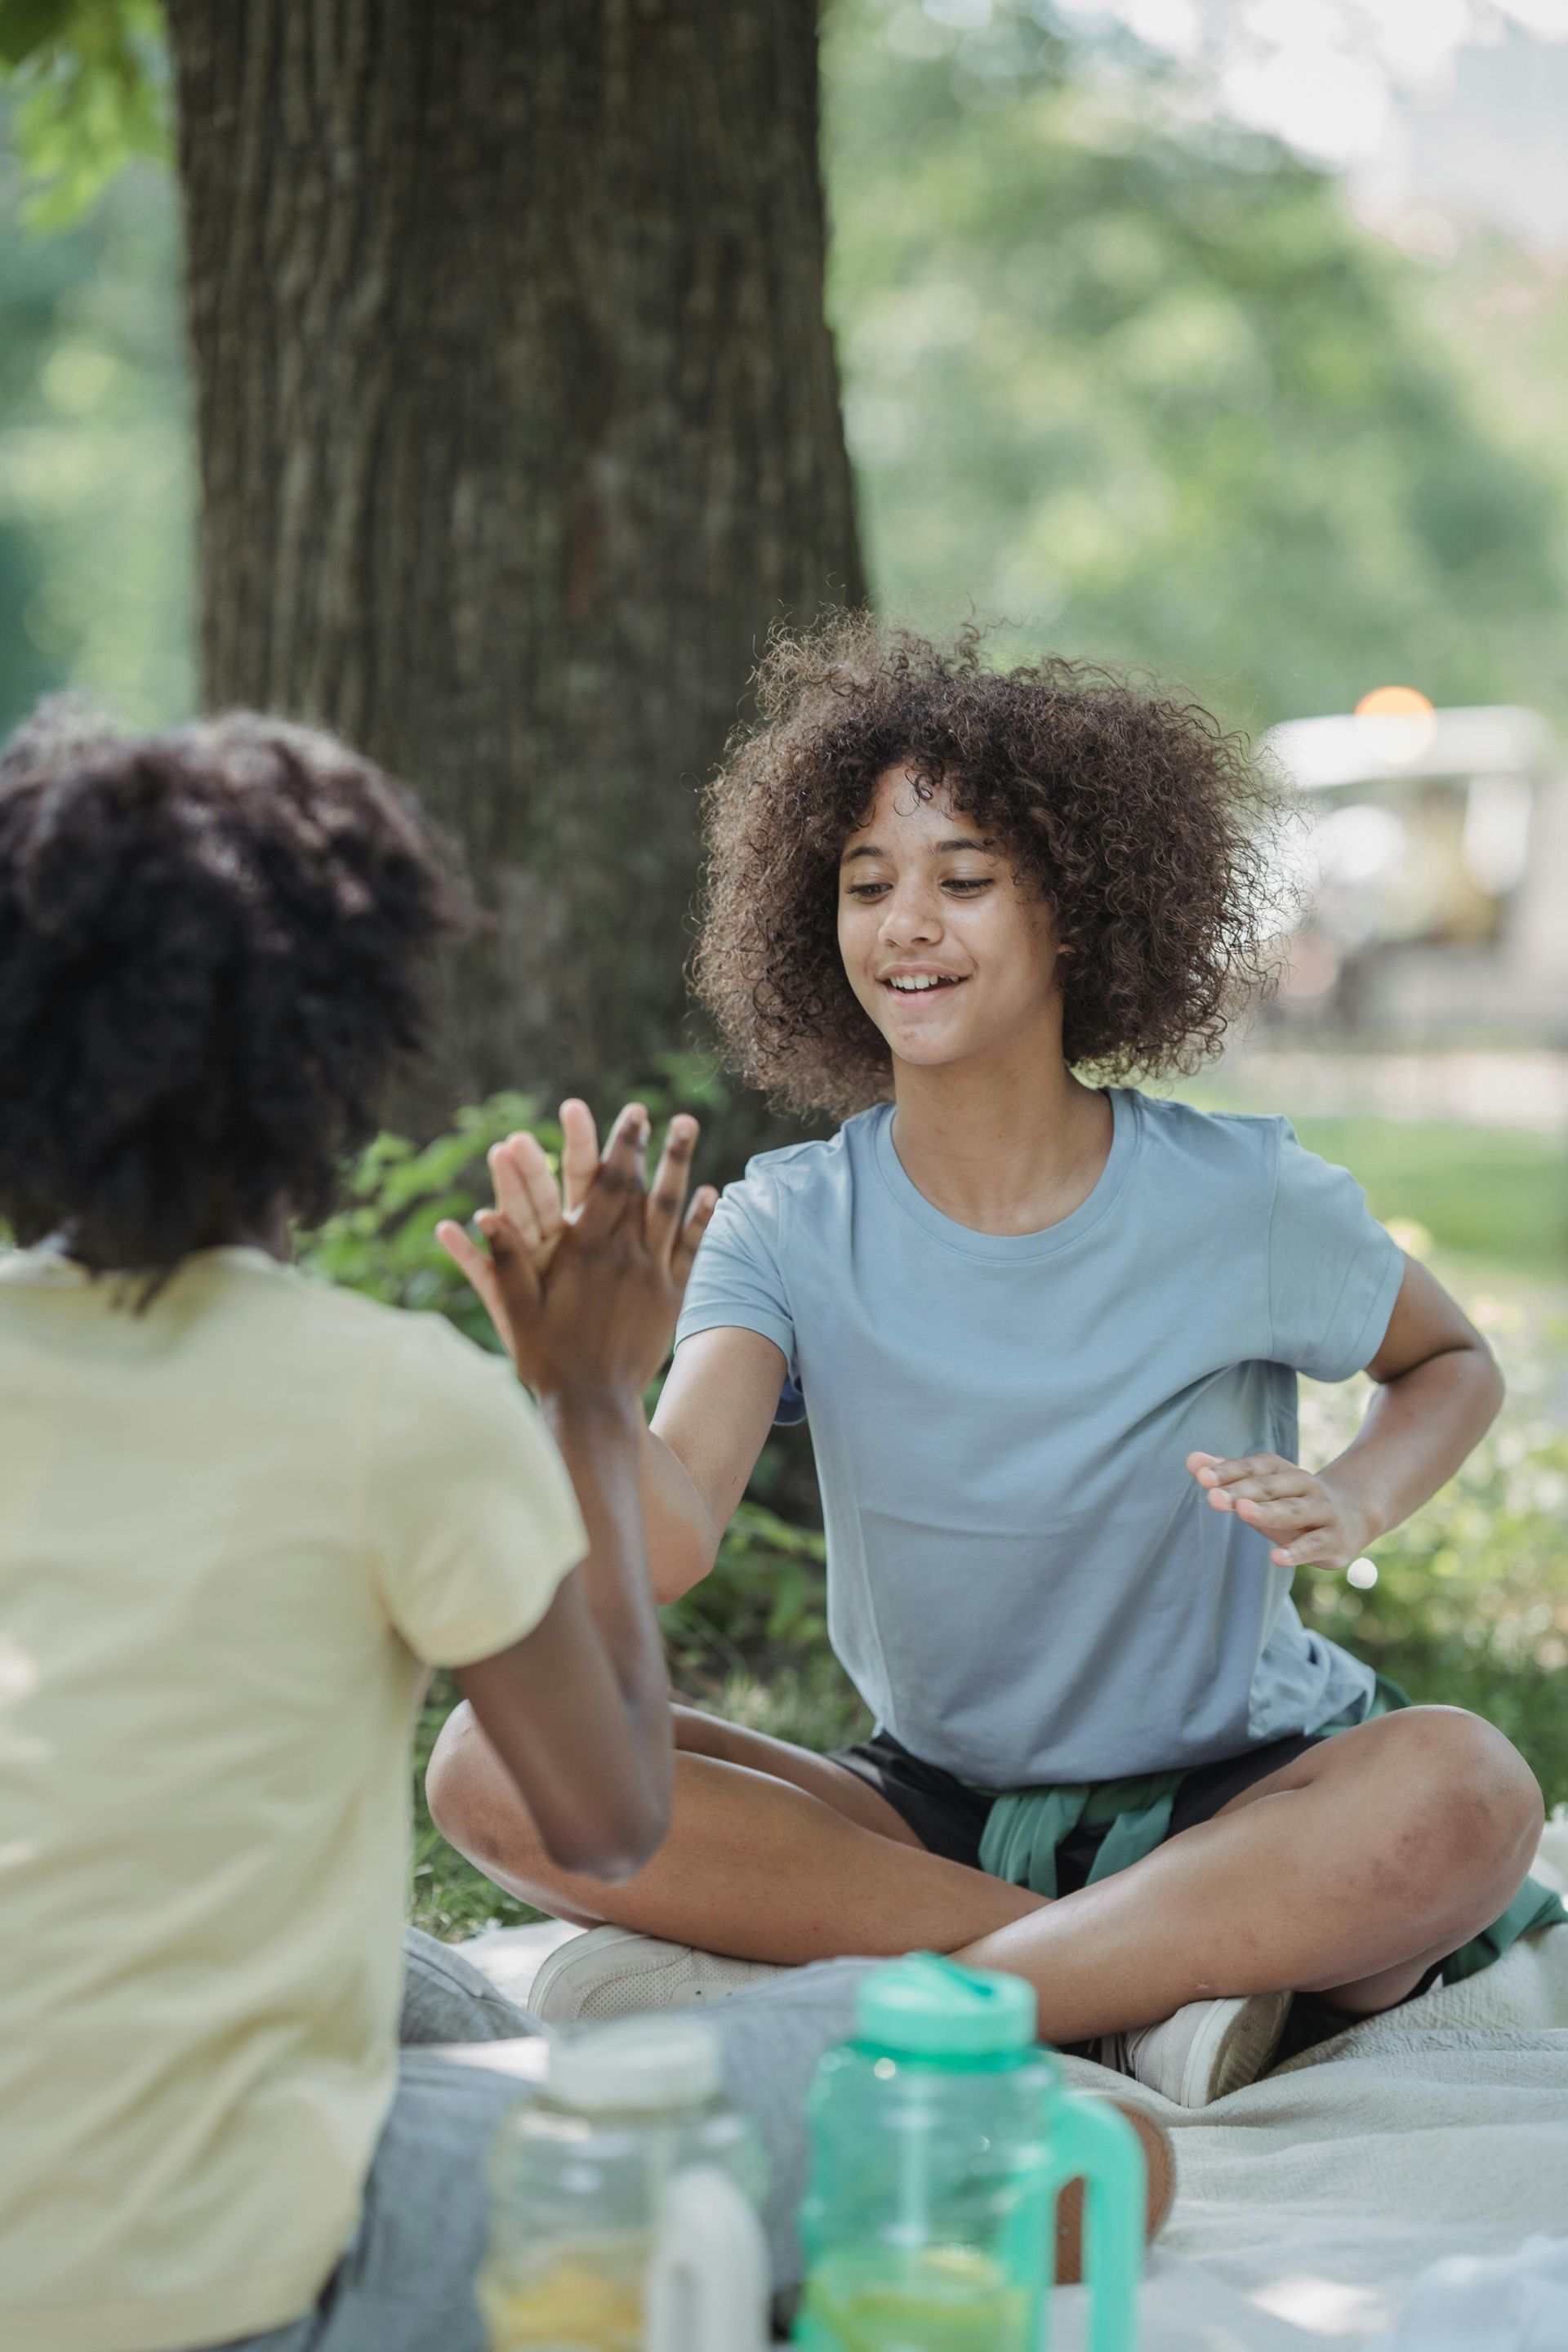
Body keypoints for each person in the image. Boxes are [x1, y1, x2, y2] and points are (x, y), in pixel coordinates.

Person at [427, 621, 1557, 2109]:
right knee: (495, 1761)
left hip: (1249, 1794)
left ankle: (958, 2002)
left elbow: (1450, 1360)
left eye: (964, 880)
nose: (908, 922)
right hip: (932, 1820)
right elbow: (669, 1543)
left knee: (1467, 1792)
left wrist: (1355, 1499)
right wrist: (578, 1385)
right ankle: (1139, 1985)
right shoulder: (788, 1222)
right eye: (867, 884)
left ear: (1079, 916)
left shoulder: (1242, 1201)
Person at [0, 702, 878, 2352]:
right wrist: (591, 1405)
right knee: (919, 2066)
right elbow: (612, 1819)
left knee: (415, 1981)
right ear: (330, 1059)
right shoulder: (389, 1399)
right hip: (217, 2281)